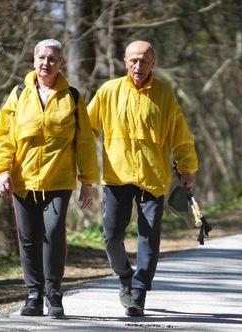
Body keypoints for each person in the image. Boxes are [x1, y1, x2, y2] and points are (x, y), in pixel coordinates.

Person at [0, 39, 98, 317]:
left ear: (61, 64)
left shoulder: (72, 97)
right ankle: (34, 294)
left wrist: (87, 181)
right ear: (34, 60)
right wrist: (2, 170)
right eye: (42, 58)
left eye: (52, 59)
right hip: (23, 179)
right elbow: (4, 136)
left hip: (59, 180)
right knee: (28, 238)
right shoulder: (19, 93)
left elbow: (84, 141)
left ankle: (53, 294)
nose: (46, 63)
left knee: (52, 232)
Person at [87, 40, 198, 317]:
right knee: (111, 237)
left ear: (153, 63)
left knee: (149, 238)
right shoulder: (108, 91)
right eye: (133, 60)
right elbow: (87, 131)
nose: (138, 66)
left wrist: (187, 168)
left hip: (152, 176)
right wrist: (83, 169)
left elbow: (180, 136)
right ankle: (125, 275)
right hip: (116, 175)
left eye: (144, 61)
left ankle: (138, 290)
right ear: (125, 62)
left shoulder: (164, 94)